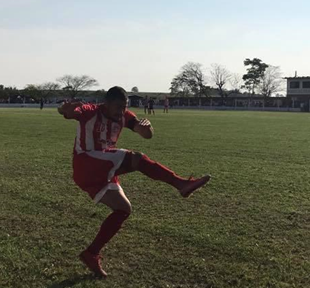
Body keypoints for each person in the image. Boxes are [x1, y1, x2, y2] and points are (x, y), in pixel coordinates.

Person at [58, 86, 211, 278]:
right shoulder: (91, 111)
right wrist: (65, 109)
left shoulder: (124, 116)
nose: (121, 111)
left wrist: (146, 129)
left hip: (103, 168)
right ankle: (180, 184)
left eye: (124, 107)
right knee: (136, 158)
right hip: (87, 162)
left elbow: (146, 134)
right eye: (118, 107)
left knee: (123, 209)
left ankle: (91, 253)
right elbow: (70, 112)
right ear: (106, 103)